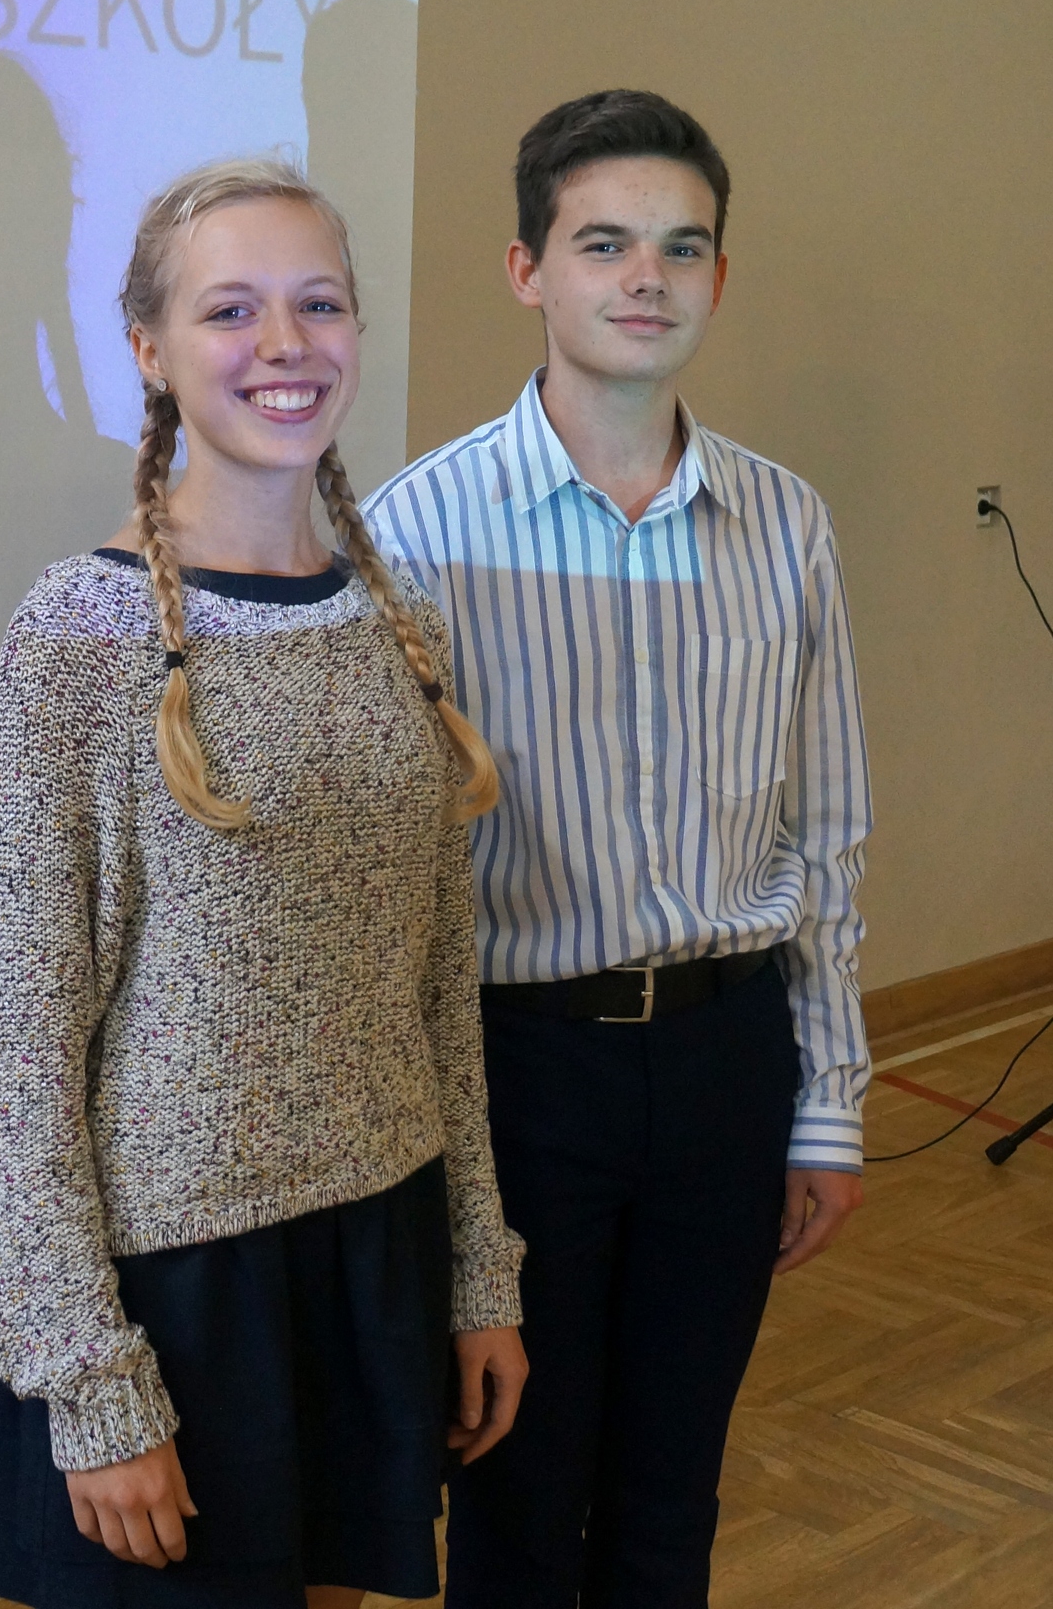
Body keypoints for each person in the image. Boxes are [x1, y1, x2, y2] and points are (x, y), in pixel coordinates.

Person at [0, 157, 528, 1609]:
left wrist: (478, 1270)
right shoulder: (77, 638)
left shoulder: (402, 622)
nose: (285, 345)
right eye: (230, 310)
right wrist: (90, 1378)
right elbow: (16, 1046)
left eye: (318, 304)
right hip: (175, 1292)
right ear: (149, 351)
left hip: (378, 1244)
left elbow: (437, 994)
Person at [364, 90, 872, 1608]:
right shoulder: (419, 531)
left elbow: (826, 830)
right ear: (528, 271)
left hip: (726, 1063)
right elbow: (391, 889)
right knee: (516, 1497)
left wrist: (828, 1105)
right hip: (521, 1074)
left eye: (681, 246)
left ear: (718, 275)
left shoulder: (786, 525)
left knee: (670, 1493)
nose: (646, 277)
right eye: (603, 244)